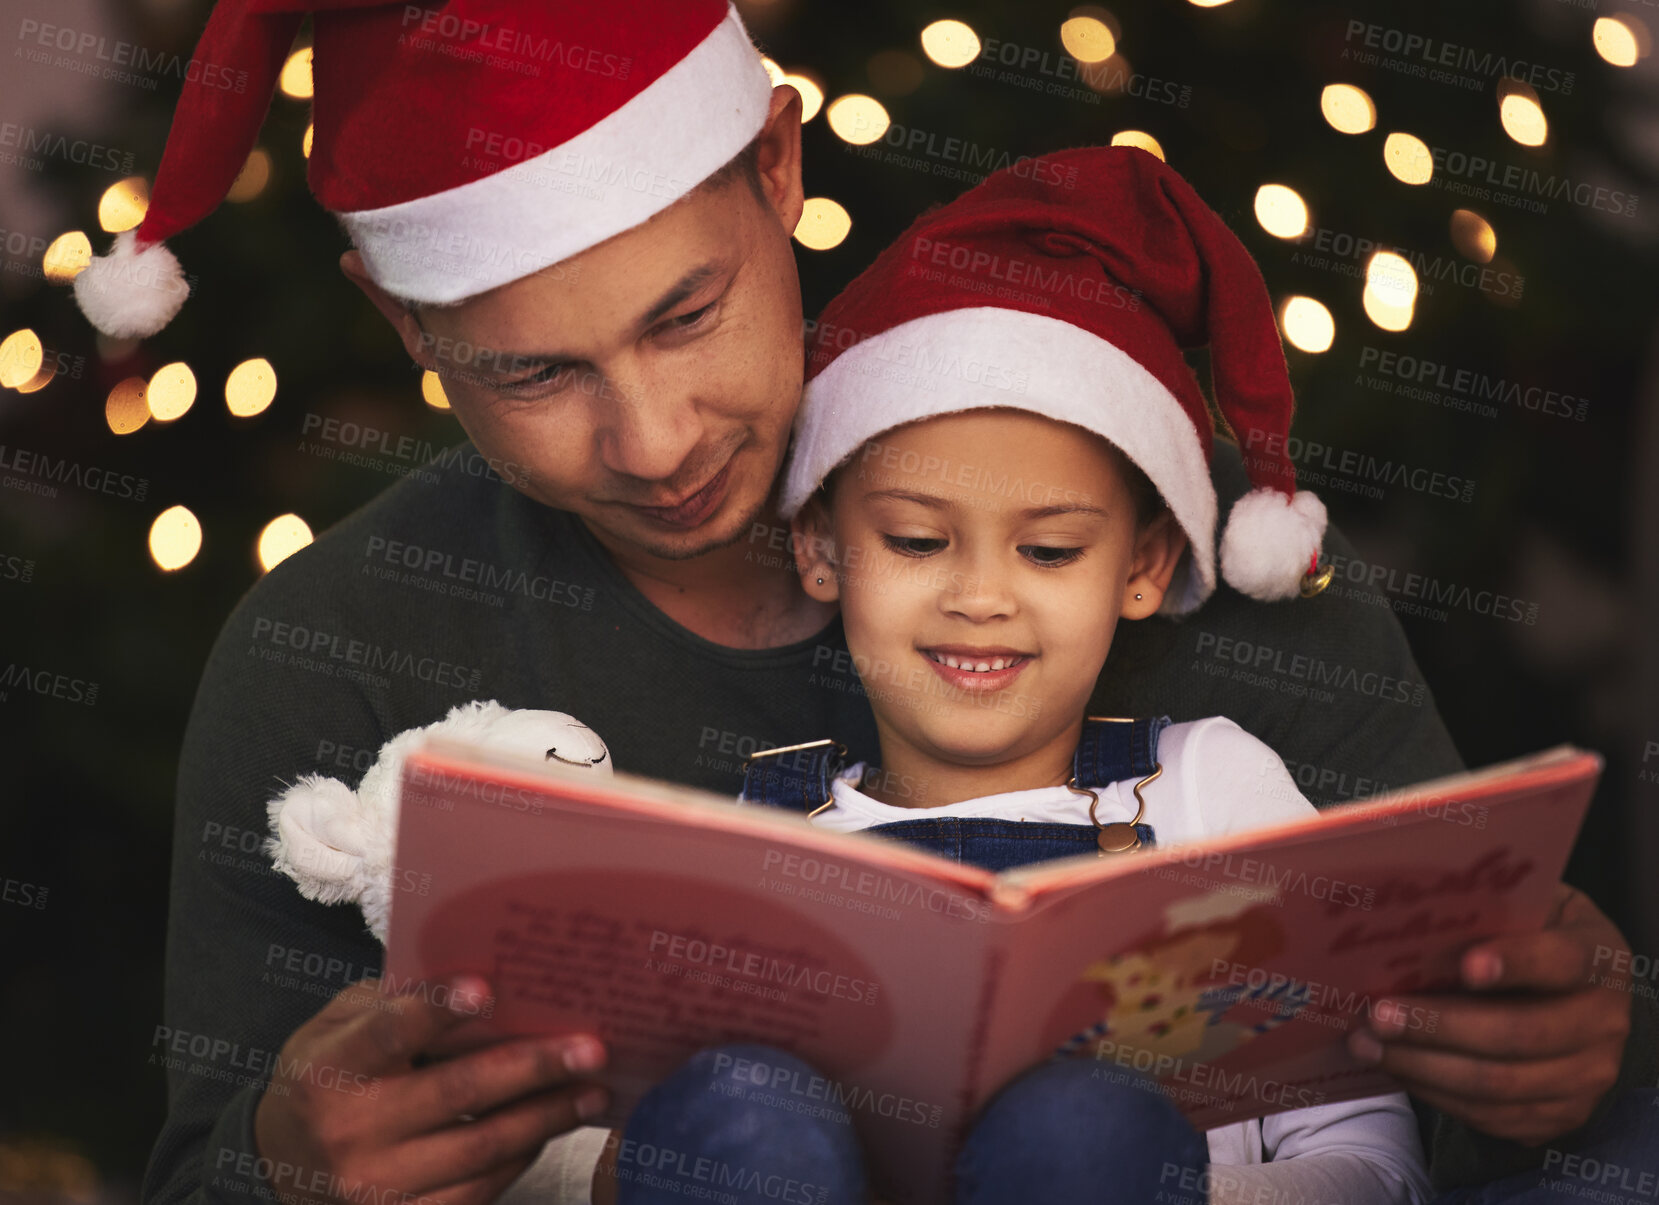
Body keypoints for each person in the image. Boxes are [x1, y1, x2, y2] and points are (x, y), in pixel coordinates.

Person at [78, 2, 1651, 1203]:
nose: (656, 438)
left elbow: (1487, 1061)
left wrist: (1551, 1048)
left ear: (777, 163)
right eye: (532, 371)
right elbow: (210, 1161)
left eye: (687, 313)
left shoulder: (1177, 546)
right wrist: (283, 1163)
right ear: (400, 320)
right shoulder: (339, 647)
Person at [600, 143, 1436, 1205]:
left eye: (1048, 550)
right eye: (914, 541)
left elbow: (1375, 1157)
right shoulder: (751, 842)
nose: (981, 596)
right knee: (738, 1103)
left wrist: (1163, 1183)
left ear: (1143, 565)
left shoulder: (1207, 790)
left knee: (1083, 1124)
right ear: (819, 550)